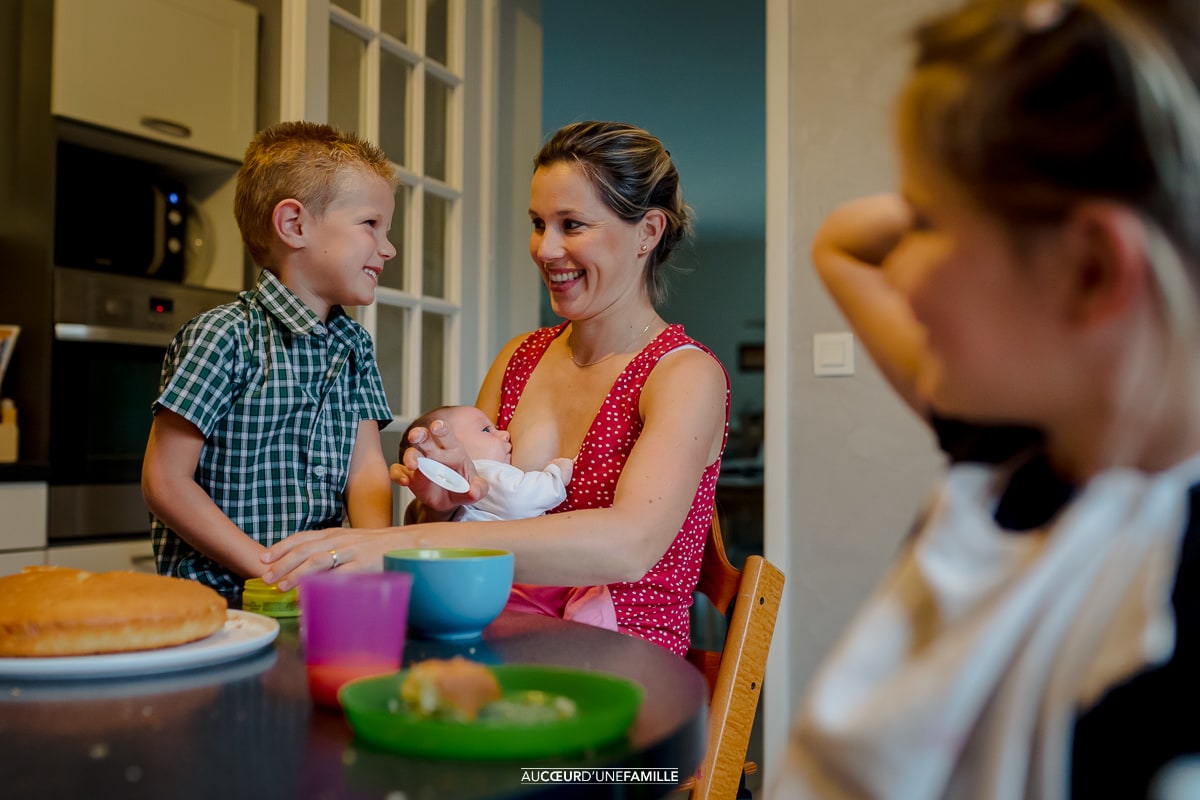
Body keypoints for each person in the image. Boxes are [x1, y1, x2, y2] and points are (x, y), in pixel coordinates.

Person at [773, 1, 1200, 798]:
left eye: (928, 222)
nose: (900, 266)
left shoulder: (1168, 617)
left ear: (1091, 273)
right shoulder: (1013, 441)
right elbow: (842, 243)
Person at [261, 120, 730, 657]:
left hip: (623, 667)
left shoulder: (684, 374)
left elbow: (631, 545)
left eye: (571, 224)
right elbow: (457, 522)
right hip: (493, 646)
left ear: (647, 232)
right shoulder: (518, 358)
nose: (545, 249)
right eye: (538, 223)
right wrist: (436, 506)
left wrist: (402, 540)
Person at [142, 121, 397, 599]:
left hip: (314, 599)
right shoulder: (225, 336)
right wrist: (275, 571)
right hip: (220, 601)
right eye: (371, 225)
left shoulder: (355, 347)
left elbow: (366, 471)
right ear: (293, 225)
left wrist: (369, 566)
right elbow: (165, 482)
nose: (388, 248)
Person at [401, 405, 573, 523]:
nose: (505, 434)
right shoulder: (482, 471)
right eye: (486, 430)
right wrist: (554, 476)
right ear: (444, 451)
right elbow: (519, 498)